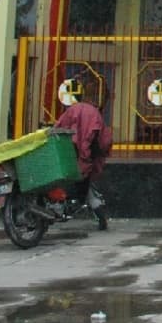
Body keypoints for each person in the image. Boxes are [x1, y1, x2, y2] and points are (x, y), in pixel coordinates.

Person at [52, 82, 112, 230]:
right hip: (86, 154)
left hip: (69, 152)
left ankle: (66, 206)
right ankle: (80, 205)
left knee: (74, 182)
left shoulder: (73, 110)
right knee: (83, 182)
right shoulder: (95, 113)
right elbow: (103, 139)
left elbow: (59, 128)